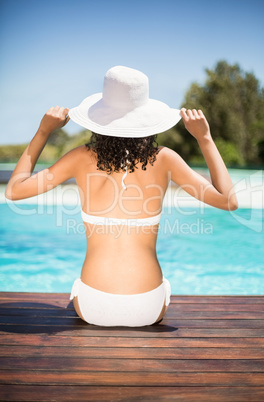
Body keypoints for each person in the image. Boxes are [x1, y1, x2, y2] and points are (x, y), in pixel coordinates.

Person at [5, 66, 238, 327]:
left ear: (100, 121)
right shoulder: (165, 159)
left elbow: (14, 190)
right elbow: (229, 200)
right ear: (148, 121)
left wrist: (44, 131)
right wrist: (204, 138)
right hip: (148, 307)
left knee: (77, 292)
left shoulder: (81, 158)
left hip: (93, 306)